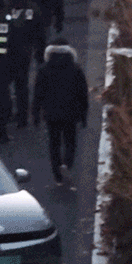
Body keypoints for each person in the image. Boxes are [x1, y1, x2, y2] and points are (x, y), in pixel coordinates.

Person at [32, 37, 89, 185]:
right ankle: (67, 163)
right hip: (71, 112)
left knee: (54, 143)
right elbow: (83, 94)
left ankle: (57, 175)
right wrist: (83, 116)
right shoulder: (76, 69)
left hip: (51, 113)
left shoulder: (43, 70)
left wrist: (36, 115)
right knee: (70, 141)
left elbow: (38, 94)